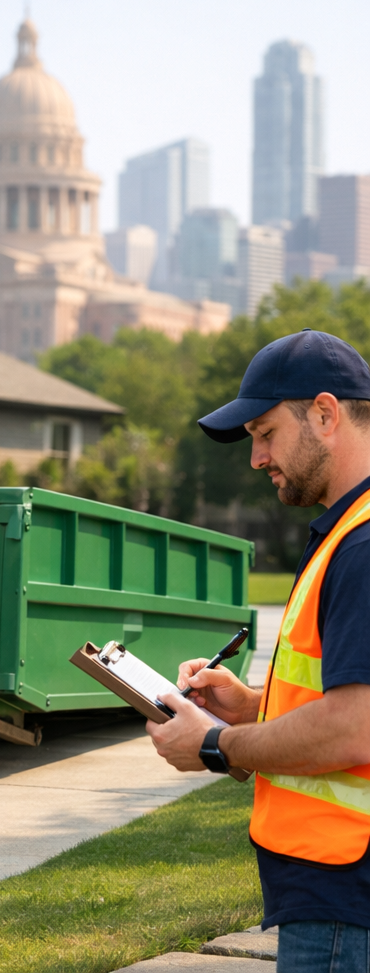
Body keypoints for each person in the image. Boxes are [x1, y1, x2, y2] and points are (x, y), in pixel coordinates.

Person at [144, 329, 370, 973]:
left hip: (345, 900)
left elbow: (355, 729)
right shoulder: (347, 533)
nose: (257, 458)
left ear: (325, 415)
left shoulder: (361, 546)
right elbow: (338, 697)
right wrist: (249, 708)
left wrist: (214, 746)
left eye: (266, 433)